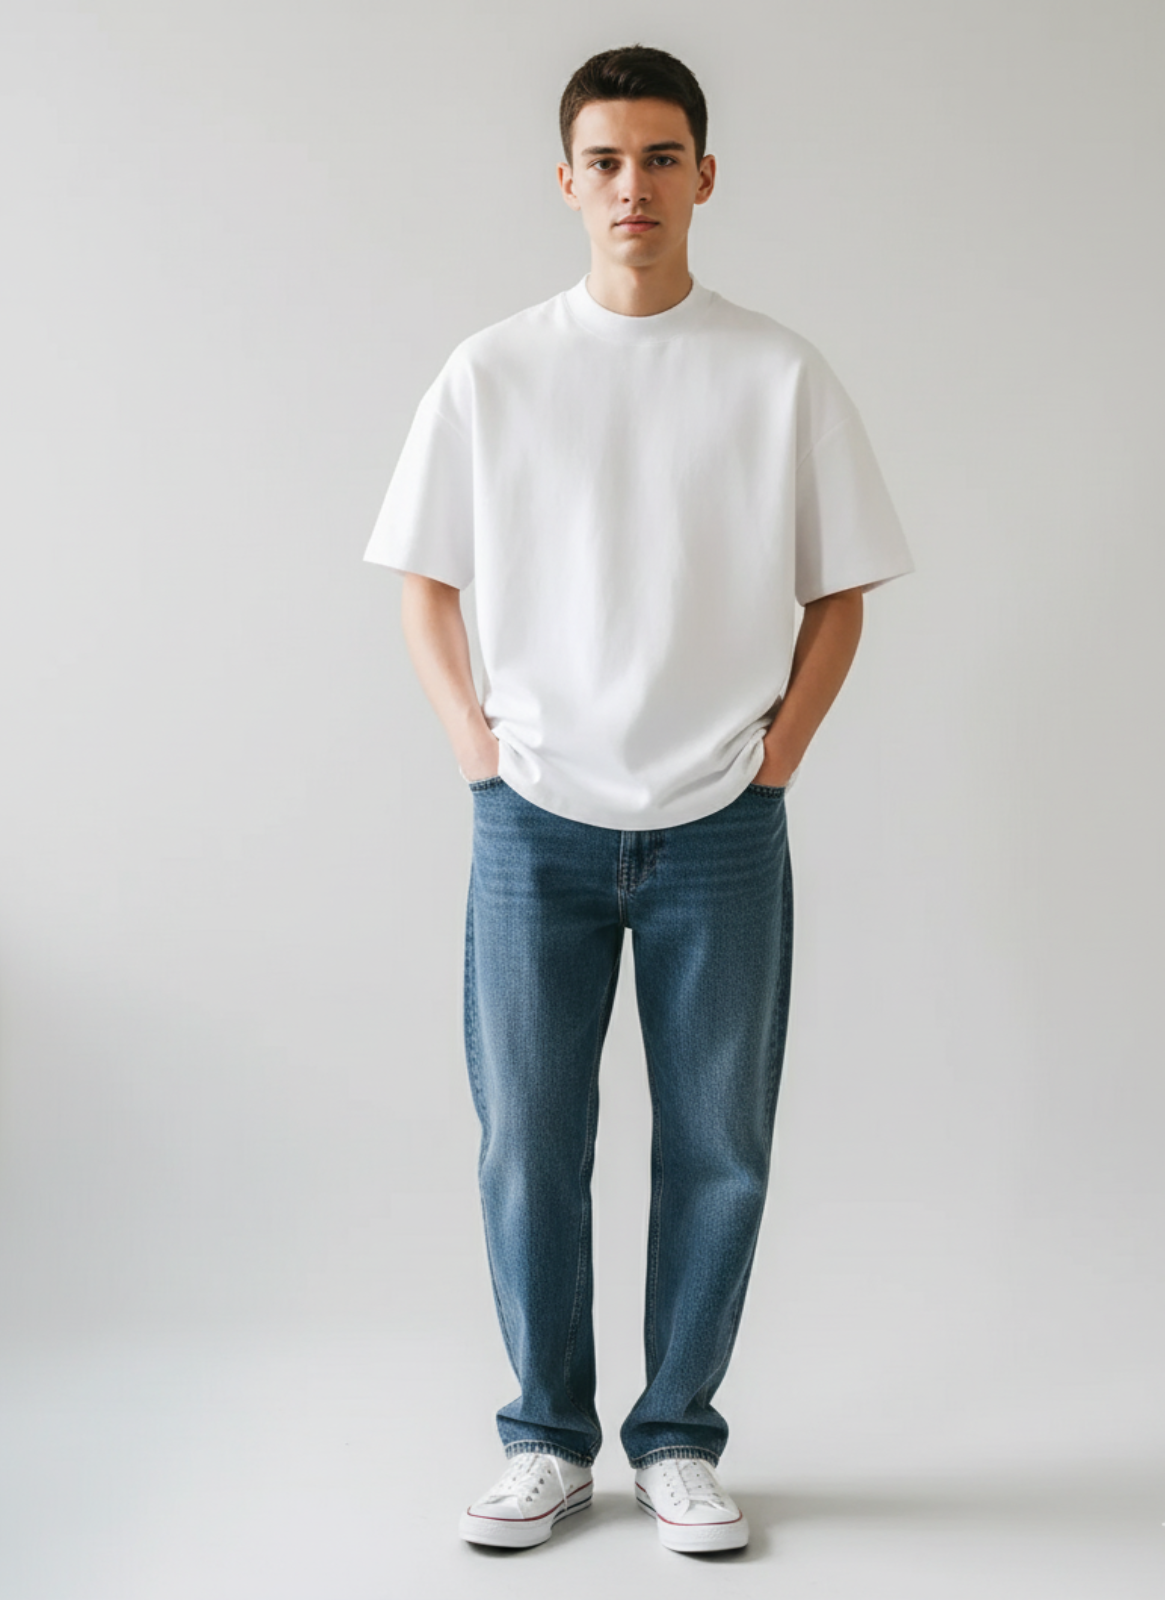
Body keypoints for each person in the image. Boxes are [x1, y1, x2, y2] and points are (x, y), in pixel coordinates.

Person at [364, 43, 915, 1555]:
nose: (633, 187)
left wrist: (775, 762)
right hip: (532, 821)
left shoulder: (777, 373)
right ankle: (546, 1438)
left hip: (720, 827)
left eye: (661, 158)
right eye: (605, 161)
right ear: (566, 181)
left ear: (704, 176)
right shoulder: (493, 371)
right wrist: (478, 753)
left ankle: (675, 1439)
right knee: (527, 1142)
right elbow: (423, 583)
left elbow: (841, 591)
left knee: (718, 1143)